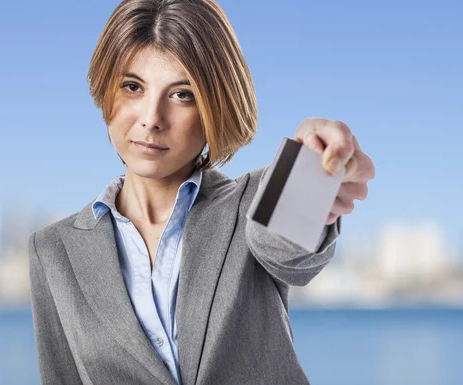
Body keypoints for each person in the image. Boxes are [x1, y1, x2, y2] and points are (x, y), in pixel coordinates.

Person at [28, 0, 375, 384]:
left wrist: (313, 164)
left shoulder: (253, 201)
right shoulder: (53, 250)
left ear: (216, 107)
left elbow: (289, 254)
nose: (152, 119)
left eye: (182, 94)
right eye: (132, 87)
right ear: (106, 91)